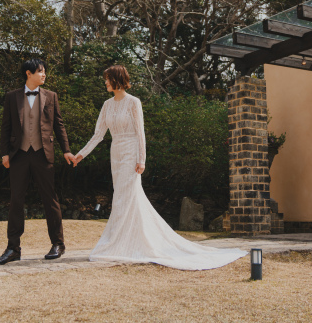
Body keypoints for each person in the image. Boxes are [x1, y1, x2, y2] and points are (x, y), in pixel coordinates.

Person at [72, 64, 246, 270]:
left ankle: (121, 243)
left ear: (118, 79)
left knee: (125, 197)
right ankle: (125, 242)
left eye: (108, 78)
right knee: (122, 196)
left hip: (131, 152)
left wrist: (141, 159)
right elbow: (98, 135)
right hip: (116, 153)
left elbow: (140, 133)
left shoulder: (133, 102)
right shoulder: (106, 105)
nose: (105, 82)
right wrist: (80, 155)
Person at [0, 59, 76, 265]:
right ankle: (13, 249)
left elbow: (59, 125)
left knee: (50, 199)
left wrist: (66, 150)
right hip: (18, 155)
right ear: (28, 74)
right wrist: (4, 153)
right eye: (40, 72)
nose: (44, 75)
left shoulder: (51, 96)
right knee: (16, 201)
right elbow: (6, 127)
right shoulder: (12, 97)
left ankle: (58, 244)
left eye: (44, 72)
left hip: (42, 153)